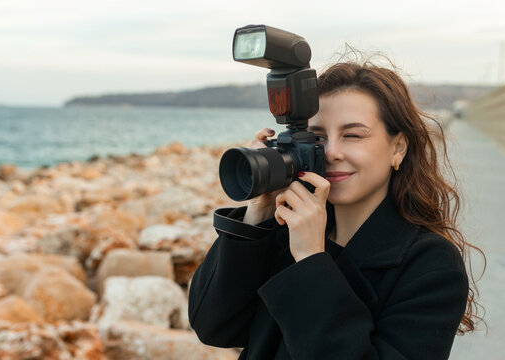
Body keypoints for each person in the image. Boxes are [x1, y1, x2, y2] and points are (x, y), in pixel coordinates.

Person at [188, 57, 485, 359]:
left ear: (398, 148)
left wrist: (311, 260)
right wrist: (256, 218)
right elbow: (213, 326)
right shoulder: (284, 230)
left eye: (353, 135)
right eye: (316, 138)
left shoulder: (431, 264)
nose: (330, 152)